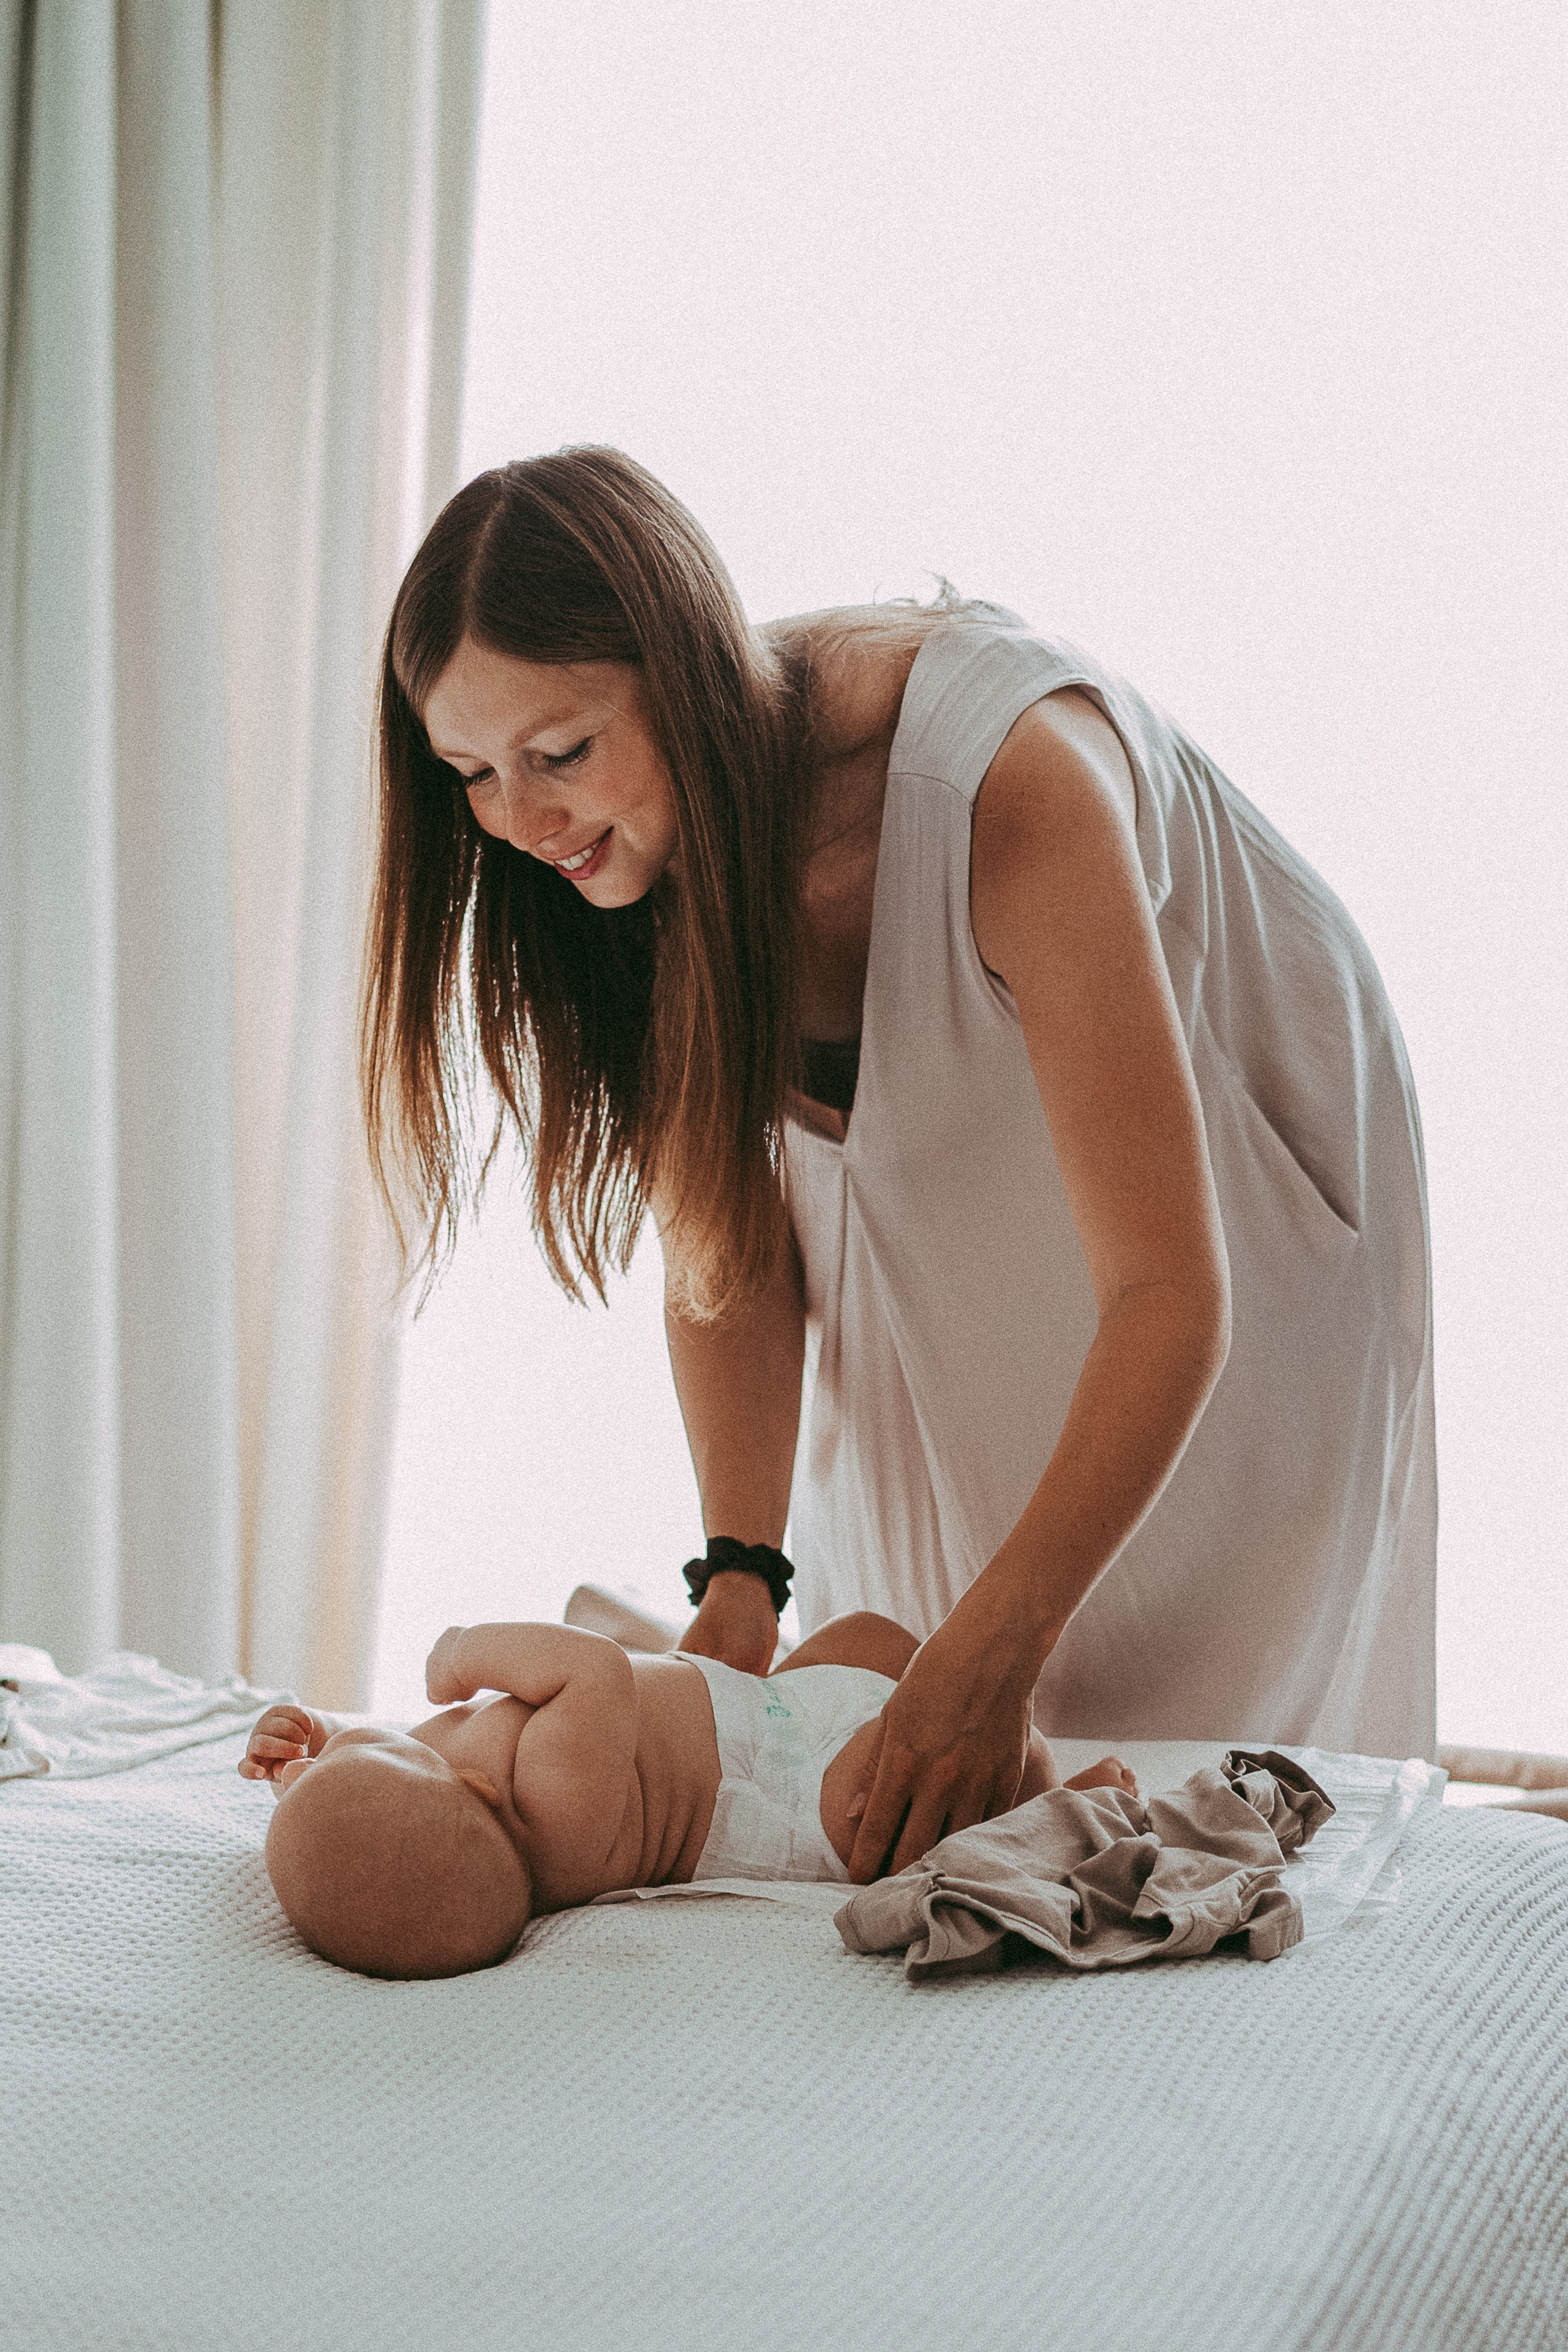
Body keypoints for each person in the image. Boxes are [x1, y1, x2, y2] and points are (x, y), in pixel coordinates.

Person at [361, 446, 1437, 1888]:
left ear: (680, 670)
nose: (523, 819)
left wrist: (1002, 1644)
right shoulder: (624, 845)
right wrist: (736, 1577)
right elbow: (727, 1248)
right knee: (930, 1707)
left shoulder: (1004, 783)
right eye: (471, 774)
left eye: (558, 752)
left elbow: (1171, 1292)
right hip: (957, 1220)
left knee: (1199, 1722)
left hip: (1239, 1213)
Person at [243, 1614, 1134, 1979]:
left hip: (775, 1705)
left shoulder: (451, 1814)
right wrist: (463, 1652)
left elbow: (370, 1813)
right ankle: (1060, 1805)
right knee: (964, 1786)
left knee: (868, 1640)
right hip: (805, 1785)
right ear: (466, 1787)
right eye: (365, 1753)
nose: (373, 1737)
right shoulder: (549, 1811)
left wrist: (312, 1746)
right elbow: (591, 1671)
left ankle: (1038, 1786)